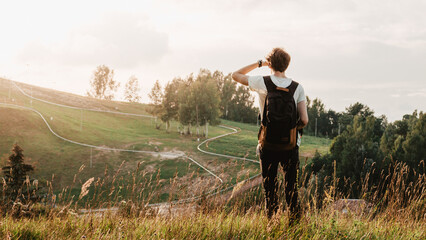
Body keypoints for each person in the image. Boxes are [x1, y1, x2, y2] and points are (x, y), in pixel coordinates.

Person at [231, 47, 308, 222]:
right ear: (287, 65)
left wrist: (259, 64)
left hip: (267, 144)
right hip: (290, 145)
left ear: (270, 64)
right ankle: (295, 228)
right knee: (292, 190)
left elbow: (235, 75)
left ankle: (271, 227)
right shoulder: (297, 88)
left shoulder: (262, 82)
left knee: (270, 190)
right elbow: (304, 119)